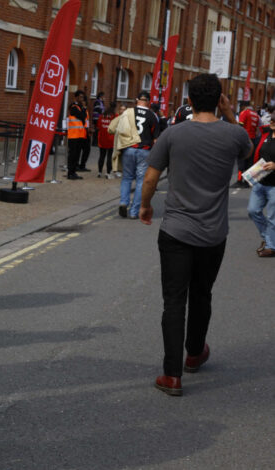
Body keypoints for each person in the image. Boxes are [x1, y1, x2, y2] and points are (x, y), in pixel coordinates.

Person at [139, 73, 252, 397]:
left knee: (173, 301)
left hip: (175, 231)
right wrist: (229, 113)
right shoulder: (234, 135)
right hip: (213, 234)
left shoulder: (173, 134)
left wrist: (146, 206)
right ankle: (194, 352)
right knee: (202, 295)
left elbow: (150, 179)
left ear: (188, 100)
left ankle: (172, 375)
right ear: (220, 99)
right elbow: (247, 151)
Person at [117, 90, 160, 219]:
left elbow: (121, 129)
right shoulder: (152, 116)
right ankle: (134, 212)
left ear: (137, 100)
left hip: (129, 149)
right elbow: (156, 139)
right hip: (144, 150)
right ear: (148, 102)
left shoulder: (129, 112)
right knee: (141, 181)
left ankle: (124, 202)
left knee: (127, 178)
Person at [247, 110, 275, 257]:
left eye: (274, 121)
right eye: (271, 119)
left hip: (274, 186)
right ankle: (269, 239)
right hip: (260, 181)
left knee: (272, 218)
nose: (271, 122)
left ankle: (271, 246)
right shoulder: (265, 135)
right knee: (253, 211)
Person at [234, 101, 260, 188]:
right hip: (253, 140)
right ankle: (247, 181)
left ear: (243, 106)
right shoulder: (256, 115)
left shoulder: (244, 113)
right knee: (249, 161)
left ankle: (239, 181)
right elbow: (258, 128)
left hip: (245, 139)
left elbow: (240, 126)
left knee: (241, 160)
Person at [67, 90, 90, 179]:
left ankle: (73, 172)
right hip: (73, 135)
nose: (82, 99)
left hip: (80, 135)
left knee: (76, 155)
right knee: (72, 155)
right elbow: (81, 116)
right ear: (76, 97)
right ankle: (70, 173)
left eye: (82, 97)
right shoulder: (74, 107)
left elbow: (84, 117)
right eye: (80, 97)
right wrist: (83, 109)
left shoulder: (80, 107)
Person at [96, 102, 116, 179]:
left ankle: (99, 172)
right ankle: (108, 172)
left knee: (101, 156)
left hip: (102, 139)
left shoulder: (102, 116)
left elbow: (98, 127)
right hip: (111, 139)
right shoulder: (115, 116)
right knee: (109, 156)